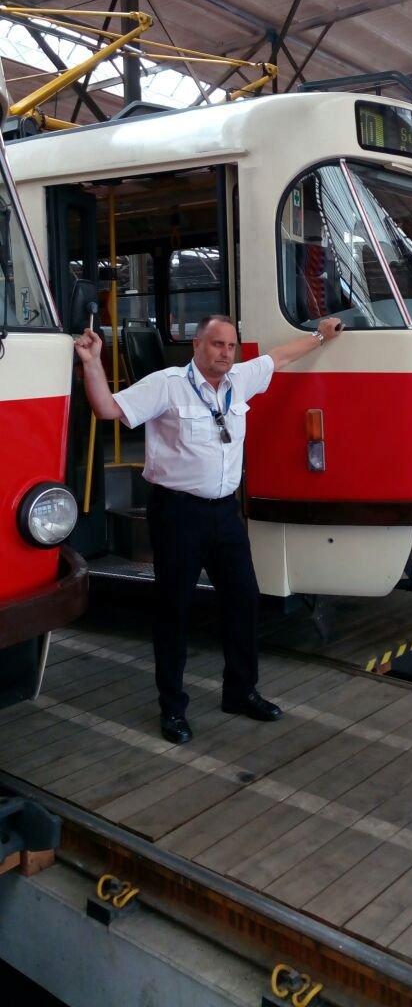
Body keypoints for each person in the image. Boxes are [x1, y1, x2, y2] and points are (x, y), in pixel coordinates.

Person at [74, 314, 343, 744]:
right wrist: (91, 361)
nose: (225, 353)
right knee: (175, 611)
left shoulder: (240, 379)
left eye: (231, 346)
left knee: (244, 600)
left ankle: (240, 692)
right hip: (177, 514)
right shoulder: (167, 384)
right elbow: (108, 408)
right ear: (197, 345)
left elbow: (280, 357)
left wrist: (319, 336)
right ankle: (173, 709)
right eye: (217, 345)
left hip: (224, 514)